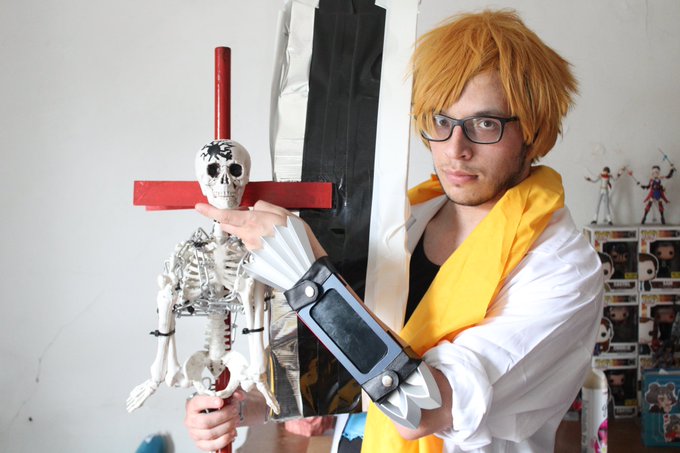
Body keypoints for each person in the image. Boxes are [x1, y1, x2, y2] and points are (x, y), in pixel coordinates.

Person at [184, 9, 603, 453]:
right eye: (441, 120)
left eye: (485, 124)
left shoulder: (563, 270)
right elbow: (346, 368)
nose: (455, 149)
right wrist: (248, 406)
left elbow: (422, 408)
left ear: (533, 132)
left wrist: (309, 279)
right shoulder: (406, 217)